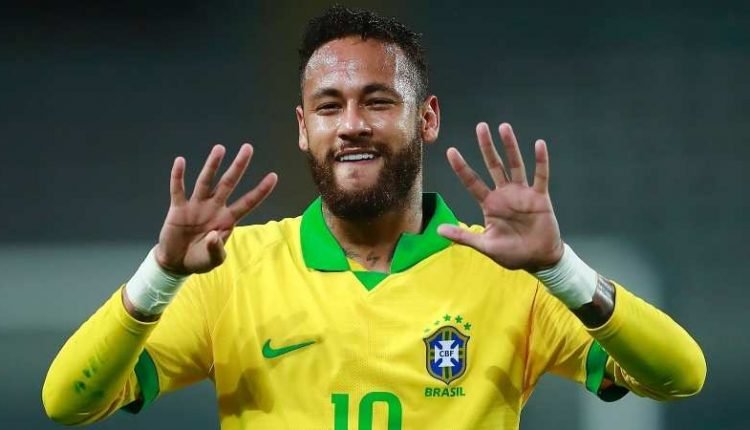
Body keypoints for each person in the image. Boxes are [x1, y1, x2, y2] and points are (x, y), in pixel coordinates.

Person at [43, 5, 706, 429]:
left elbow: (681, 376)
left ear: (427, 118)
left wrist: (560, 268)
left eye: (378, 101)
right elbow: (67, 403)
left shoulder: (510, 275)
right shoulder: (233, 272)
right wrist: (161, 273)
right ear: (303, 128)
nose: (352, 125)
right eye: (329, 107)